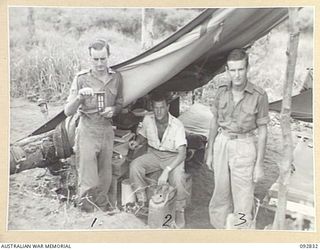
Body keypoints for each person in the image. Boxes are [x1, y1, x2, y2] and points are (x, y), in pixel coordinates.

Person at [205, 48, 269, 229]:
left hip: (244, 144)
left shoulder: (259, 95)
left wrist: (259, 165)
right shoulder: (221, 91)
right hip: (222, 142)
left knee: (243, 195)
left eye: (240, 69)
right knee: (220, 192)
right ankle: (219, 230)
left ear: (247, 68)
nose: (237, 75)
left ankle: (241, 234)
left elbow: (263, 131)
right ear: (227, 70)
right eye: (232, 70)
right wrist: (209, 152)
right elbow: (214, 122)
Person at [64, 37, 123, 211]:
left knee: (105, 176)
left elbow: (120, 102)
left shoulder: (116, 77)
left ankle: (103, 210)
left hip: (107, 130)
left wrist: (114, 110)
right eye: (95, 59)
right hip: (87, 129)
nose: (99, 63)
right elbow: (68, 111)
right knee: (88, 177)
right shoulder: (81, 78)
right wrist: (79, 98)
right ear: (90, 58)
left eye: (103, 59)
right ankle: (86, 212)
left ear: (109, 56)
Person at [129, 91, 188, 228]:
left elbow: (182, 154)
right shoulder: (148, 119)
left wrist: (167, 171)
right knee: (135, 166)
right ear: (152, 108)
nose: (159, 111)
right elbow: (143, 136)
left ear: (168, 107)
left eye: (162, 107)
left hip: (173, 156)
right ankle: (142, 202)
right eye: (156, 108)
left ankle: (180, 210)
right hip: (154, 154)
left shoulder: (177, 125)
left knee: (178, 178)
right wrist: (136, 143)